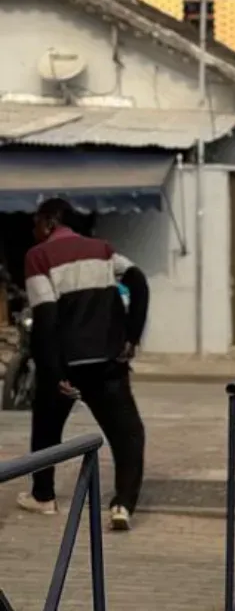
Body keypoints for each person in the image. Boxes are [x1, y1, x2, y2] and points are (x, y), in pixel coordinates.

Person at [16, 198, 149, 528]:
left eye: (36, 223)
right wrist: (131, 336)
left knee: (46, 429)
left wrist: (53, 372)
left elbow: (45, 319)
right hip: (108, 360)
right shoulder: (102, 249)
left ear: (49, 223)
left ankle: (43, 497)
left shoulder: (38, 256)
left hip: (67, 363)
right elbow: (138, 281)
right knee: (128, 434)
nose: (34, 230)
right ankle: (123, 505)